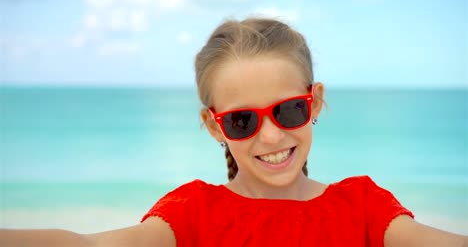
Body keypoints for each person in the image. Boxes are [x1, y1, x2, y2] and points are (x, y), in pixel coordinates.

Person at [1, 17, 467, 247]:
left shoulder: (364, 209)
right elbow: (86, 245)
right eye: (243, 120)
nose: (270, 137)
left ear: (316, 100)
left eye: (287, 111)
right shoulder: (194, 215)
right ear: (213, 125)